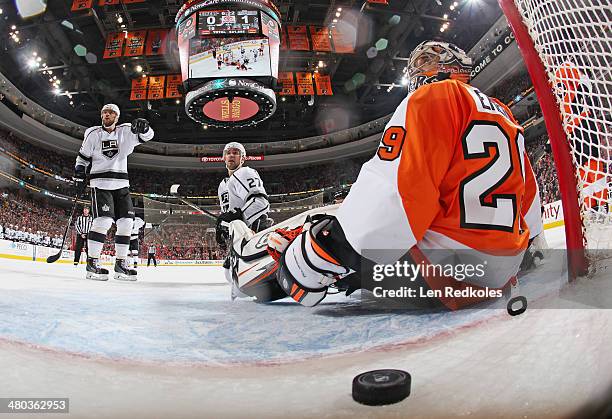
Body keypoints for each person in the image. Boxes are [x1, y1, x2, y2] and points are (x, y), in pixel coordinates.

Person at [267, 40, 543, 309]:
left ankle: (290, 270)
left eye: (427, 61)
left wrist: (332, 247)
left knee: (320, 236)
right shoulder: (505, 112)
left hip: (448, 276)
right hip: (505, 268)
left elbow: (398, 193)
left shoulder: (432, 97)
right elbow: (528, 200)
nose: (419, 68)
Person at [74, 103, 154, 281]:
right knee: (103, 220)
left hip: (121, 184)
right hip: (100, 182)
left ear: (117, 116)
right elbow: (83, 158)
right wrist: (79, 174)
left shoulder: (125, 131)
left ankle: (120, 264)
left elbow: (147, 137)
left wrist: (145, 127)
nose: (107, 115)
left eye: (111, 112)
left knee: (126, 222)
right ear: (101, 115)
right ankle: (92, 264)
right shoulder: (93, 134)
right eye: (104, 112)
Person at [216, 141, 273, 249]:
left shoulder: (245, 172)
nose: (231, 155)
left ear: (242, 158)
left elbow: (260, 202)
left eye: (236, 152)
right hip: (238, 241)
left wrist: (238, 219)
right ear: (224, 158)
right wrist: (224, 227)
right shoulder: (222, 185)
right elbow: (228, 214)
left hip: (254, 235)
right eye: (228, 153)